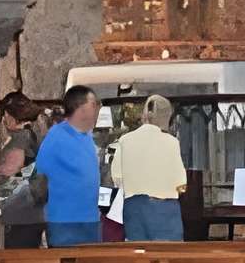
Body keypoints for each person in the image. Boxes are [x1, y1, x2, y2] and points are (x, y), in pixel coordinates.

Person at [34, 86, 107, 248]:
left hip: (90, 221)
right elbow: (38, 177)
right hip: (64, 222)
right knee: (66, 262)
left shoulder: (87, 136)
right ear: (80, 108)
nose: (97, 109)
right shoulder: (56, 136)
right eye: (94, 104)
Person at [111, 93, 189, 241]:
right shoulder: (171, 142)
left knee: (138, 252)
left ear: (145, 114)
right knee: (169, 252)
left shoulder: (125, 140)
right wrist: (177, 191)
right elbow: (181, 182)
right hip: (165, 209)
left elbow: (117, 178)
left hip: (133, 208)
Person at [0, 92, 50, 250]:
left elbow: (12, 168)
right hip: (33, 211)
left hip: (20, 213)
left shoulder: (21, 138)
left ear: (9, 116)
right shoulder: (36, 132)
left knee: (16, 256)